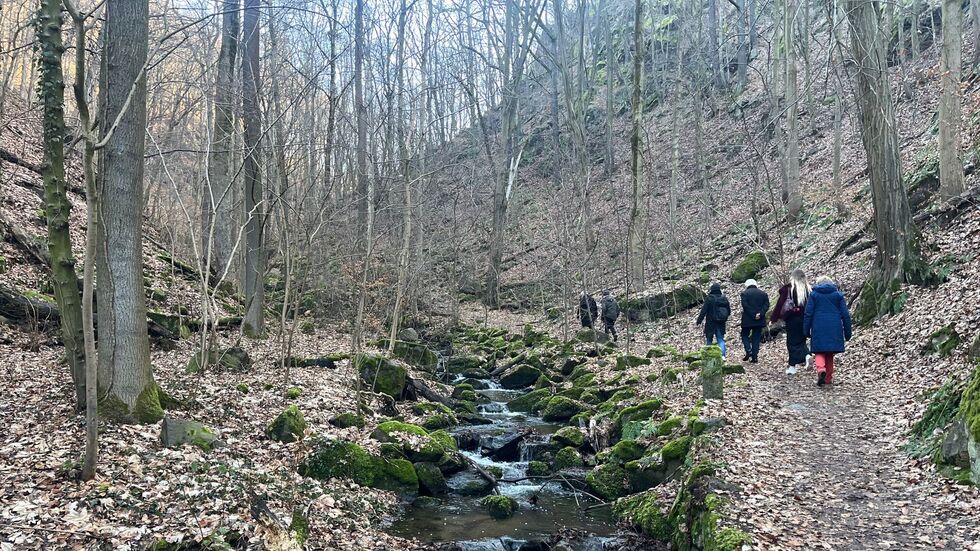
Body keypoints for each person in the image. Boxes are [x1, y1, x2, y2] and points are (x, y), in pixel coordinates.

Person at [804, 275, 852, 386]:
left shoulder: (814, 295)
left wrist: (806, 330)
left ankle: (821, 370)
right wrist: (848, 332)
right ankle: (828, 378)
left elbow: (808, 313)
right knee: (830, 351)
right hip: (835, 326)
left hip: (818, 326)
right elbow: (845, 315)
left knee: (819, 351)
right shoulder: (838, 296)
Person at [770, 270, 811, 375]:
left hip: (792, 319)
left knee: (791, 343)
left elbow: (780, 305)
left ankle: (804, 357)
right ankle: (794, 365)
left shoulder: (788, 289)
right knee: (801, 341)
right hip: (805, 319)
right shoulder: (809, 290)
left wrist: (773, 318)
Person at [696, 282, 731, 356]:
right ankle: (722, 356)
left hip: (710, 323)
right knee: (720, 340)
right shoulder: (724, 298)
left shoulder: (709, 298)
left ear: (711, 290)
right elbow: (729, 311)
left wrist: (699, 321)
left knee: (709, 340)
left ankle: (708, 356)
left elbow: (704, 311)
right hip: (721, 323)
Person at [740, 279, 770, 363]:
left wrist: (753, 314)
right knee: (756, 338)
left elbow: (745, 306)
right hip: (759, 320)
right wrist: (760, 314)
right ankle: (755, 357)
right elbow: (767, 305)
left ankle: (748, 350)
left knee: (744, 334)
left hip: (748, 320)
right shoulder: (763, 294)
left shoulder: (744, 294)